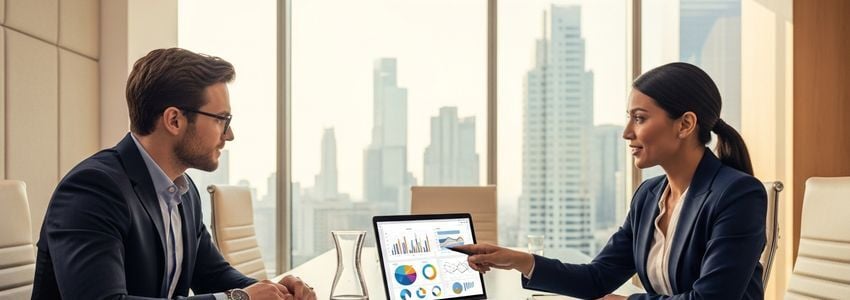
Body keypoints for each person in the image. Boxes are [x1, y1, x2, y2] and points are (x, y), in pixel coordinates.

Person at [455, 62, 767, 299]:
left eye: (640, 118)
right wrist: (519, 260)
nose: (627, 132)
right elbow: (598, 277)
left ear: (685, 124)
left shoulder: (737, 194)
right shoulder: (649, 196)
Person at [32, 48, 316, 300]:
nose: (229, 135)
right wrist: (240, 299)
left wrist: (276, 291)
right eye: (221, 119)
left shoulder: (184, 191)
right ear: (174, 120)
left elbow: (215, 275)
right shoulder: (93, 189)